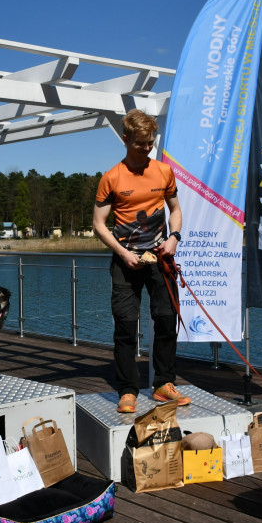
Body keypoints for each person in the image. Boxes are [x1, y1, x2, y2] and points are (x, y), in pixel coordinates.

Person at [92, 108, 188, 413]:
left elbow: (175, 209)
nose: (146, 148)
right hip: (126, 261)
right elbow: (98, 224)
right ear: (125, 139)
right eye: (140, 144)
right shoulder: (111, 178)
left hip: (160, 258)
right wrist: (123, 253)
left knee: (165, 320)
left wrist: (174, 238)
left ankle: (163, 384)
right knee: (125, 325)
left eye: (150, 143)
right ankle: (128, 390)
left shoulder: (163, 171)